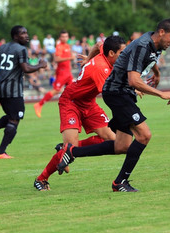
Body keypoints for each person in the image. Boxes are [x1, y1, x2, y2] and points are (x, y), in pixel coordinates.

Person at [56, 19, 170, 192]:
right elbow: (133, 80)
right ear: (161, 32)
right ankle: (120, 182)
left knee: (121, 146)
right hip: (117, 92)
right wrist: (161, 94)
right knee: (144, 135)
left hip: (123, 92)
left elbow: (150, 60)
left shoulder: (156, 45)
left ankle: (72, 152)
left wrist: (156, 73)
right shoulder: (142, 45)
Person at [34, 35, 127, 191]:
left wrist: (87, 60)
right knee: (71, 149)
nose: (124, 56)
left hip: (88, 103)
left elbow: (98, 45)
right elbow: (110, 94)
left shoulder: (105, 52)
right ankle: (41, 179)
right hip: (70, 102)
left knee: (113, 141)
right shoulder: (100, 68)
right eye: (121, 53)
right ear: (112, 53)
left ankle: (66, 149)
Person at [0, 26, 47, 159]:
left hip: (0, 88)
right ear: (15, 36)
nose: (26, 35)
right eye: (23, 33)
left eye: (26, 32)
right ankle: (0, 151)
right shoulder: (21, 49)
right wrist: (40, 65)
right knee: (15, 118)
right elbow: (26, 68)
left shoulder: (3, 47)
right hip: (13, 90)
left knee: (12, 116)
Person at [33, 30, 76, 117]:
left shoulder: (67, 46)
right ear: (60, 38)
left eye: (66, 36)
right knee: (57, 90)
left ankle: (72, 110)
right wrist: (70, 57)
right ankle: (39, 104)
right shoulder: (59, 46)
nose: (65, 38)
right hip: (62, 72)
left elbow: (68, 60)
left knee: (73, 91)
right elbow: (57, 59)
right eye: (63, 36)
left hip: (68, 73)